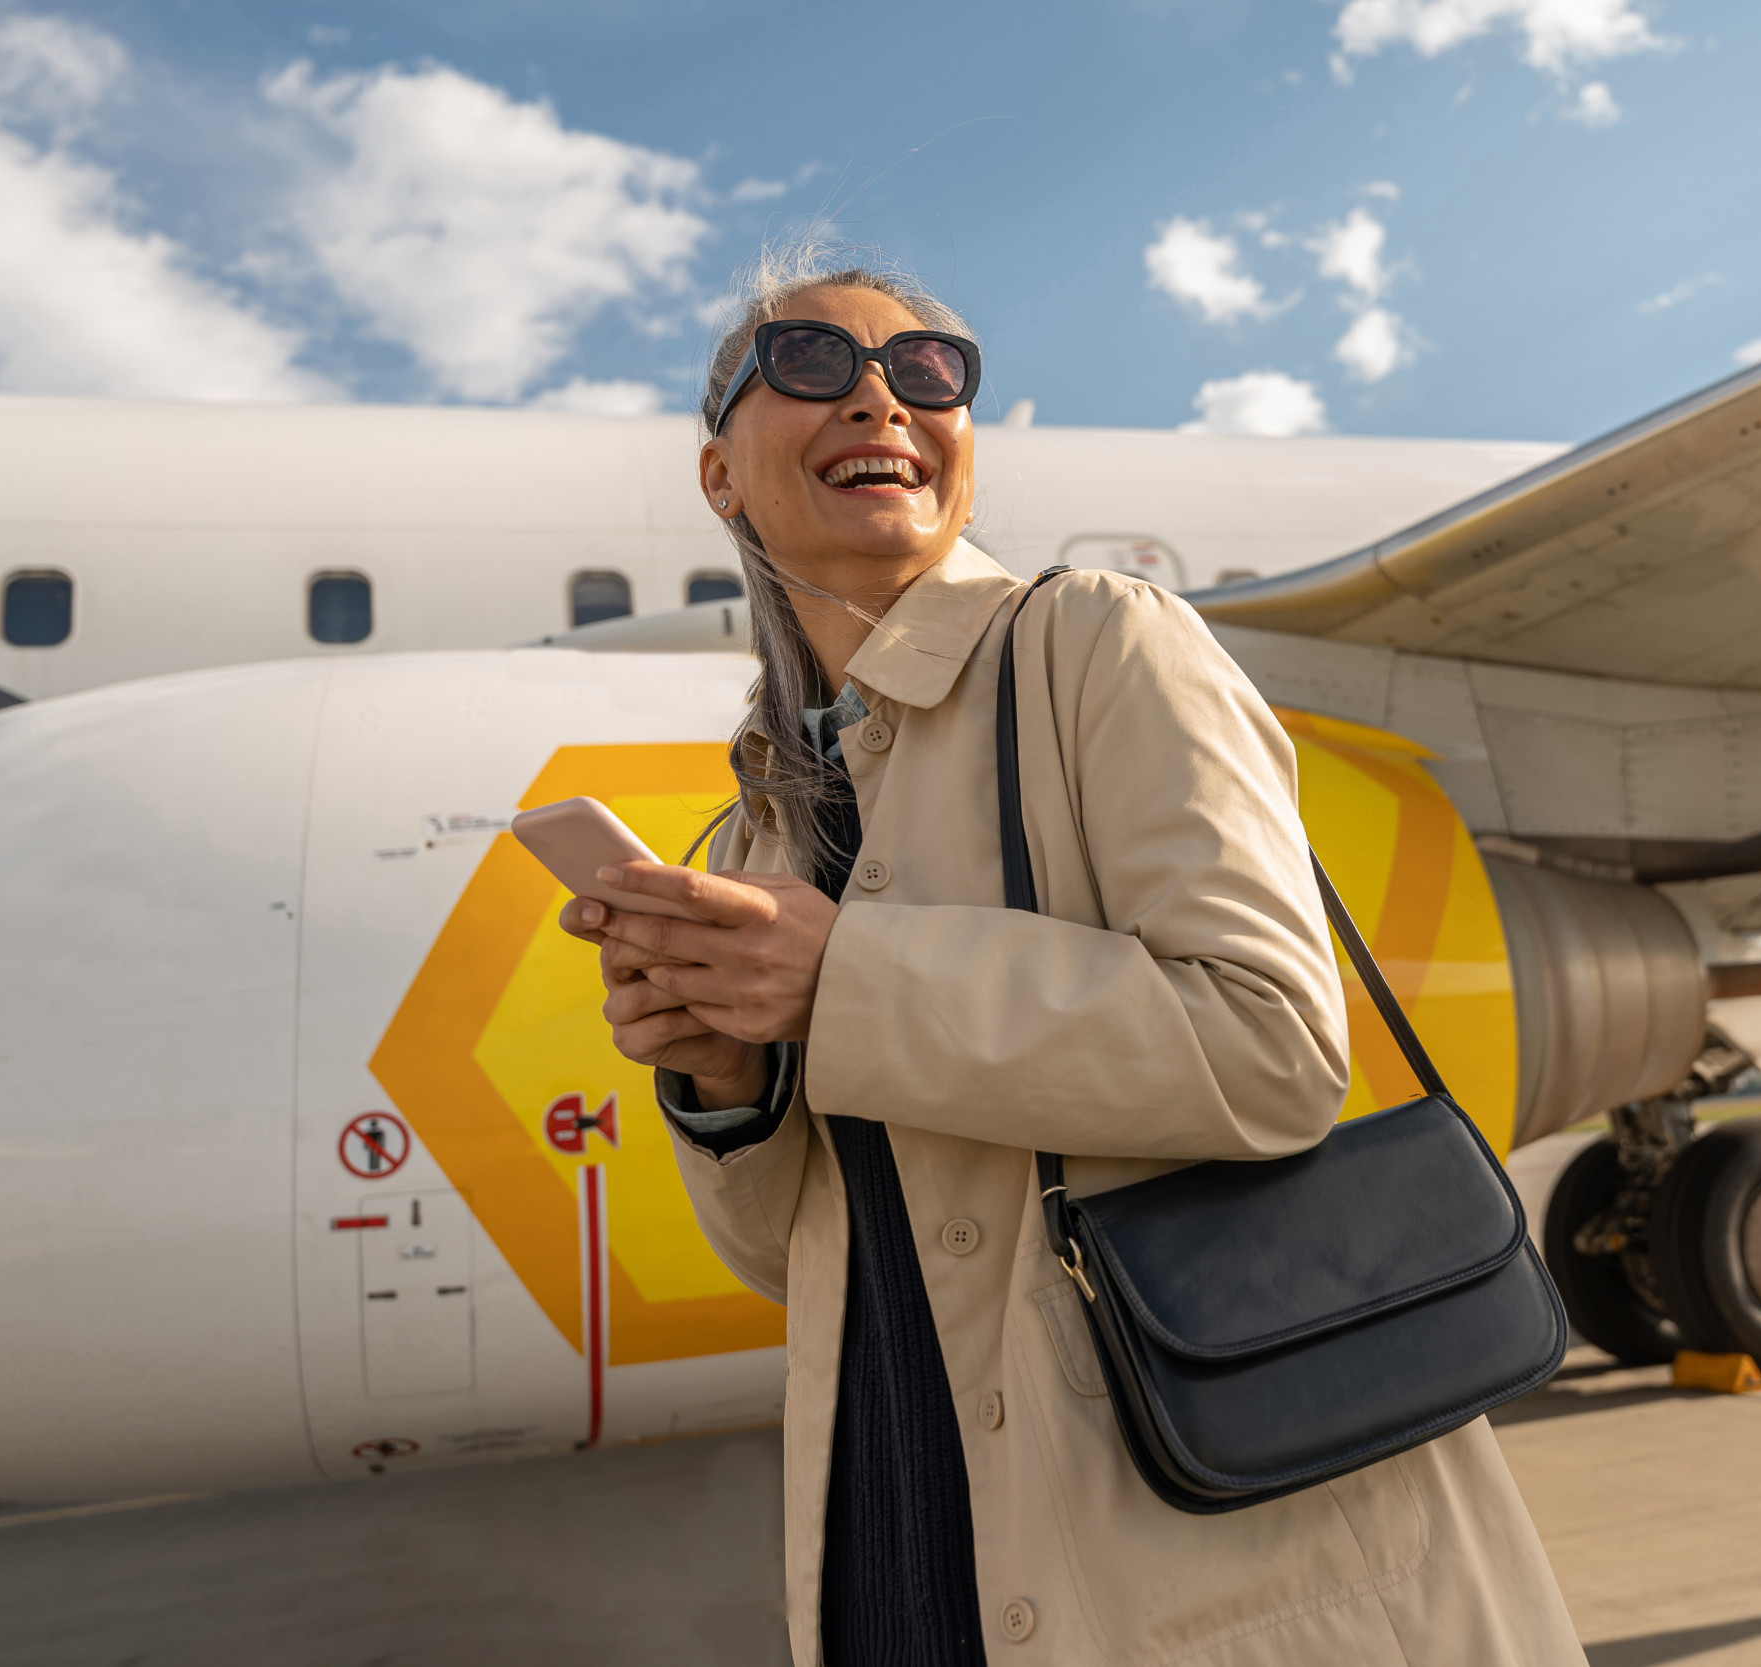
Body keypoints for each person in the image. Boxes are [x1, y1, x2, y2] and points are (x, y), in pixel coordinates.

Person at [560, 240, 1588, 1666]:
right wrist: (728, 1083)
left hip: (1195, 1546)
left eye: (924, 372)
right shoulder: (753, 837)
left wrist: (841, 981)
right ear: (719, 475)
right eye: (808, 364)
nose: (877, 397)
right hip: (895, 1530)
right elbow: (791, 1259)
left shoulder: (1101, 643)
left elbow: (1274, 1052)